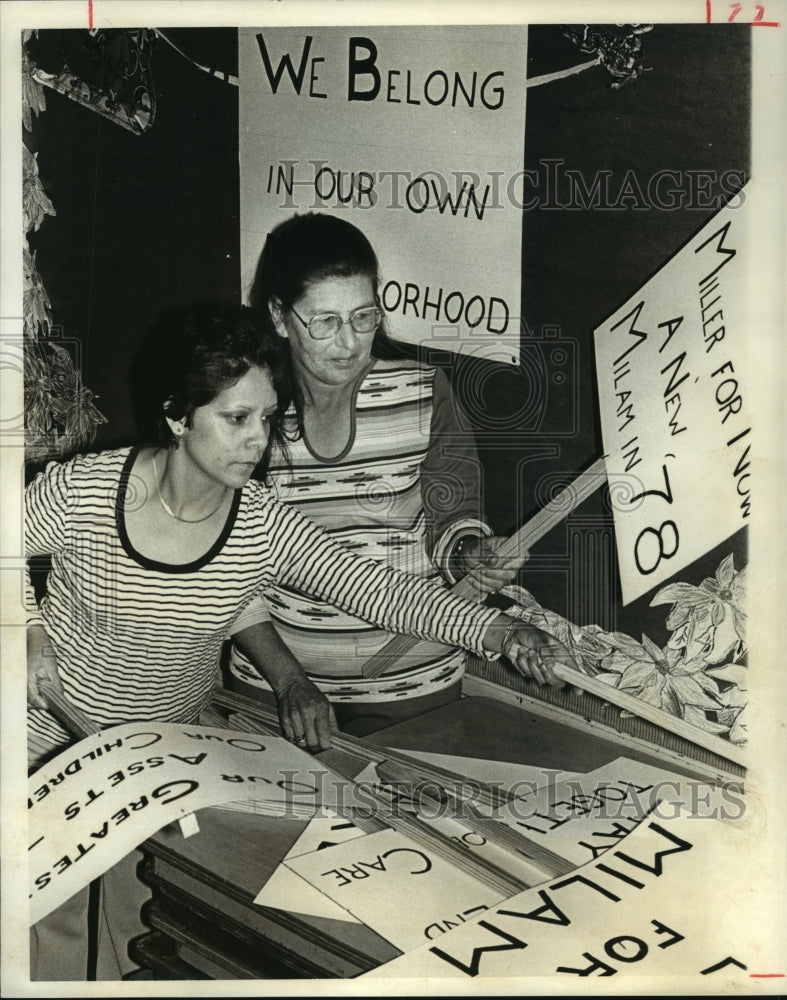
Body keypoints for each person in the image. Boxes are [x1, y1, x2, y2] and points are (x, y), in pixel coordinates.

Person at [26, 303, 575, 979]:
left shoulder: (260, 525)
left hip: (162, 746)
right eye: (235, 418)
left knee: (147, 906)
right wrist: (25, 630)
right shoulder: (86, 490)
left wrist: (496, 630)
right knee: (47, 917)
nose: (257, 440)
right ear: (177, 415)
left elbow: (377, 590)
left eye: (266, 417)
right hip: (49, 737)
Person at [228, 212, 546, 739]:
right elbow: (227, 564)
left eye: (364, 316)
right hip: (275, 682)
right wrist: (288, 681)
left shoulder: (424, 393)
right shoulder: (246, 409)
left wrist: (471, 554)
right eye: (325, 321)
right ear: (281, 317)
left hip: (414, 681)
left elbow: (454, 515)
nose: (350, 343)